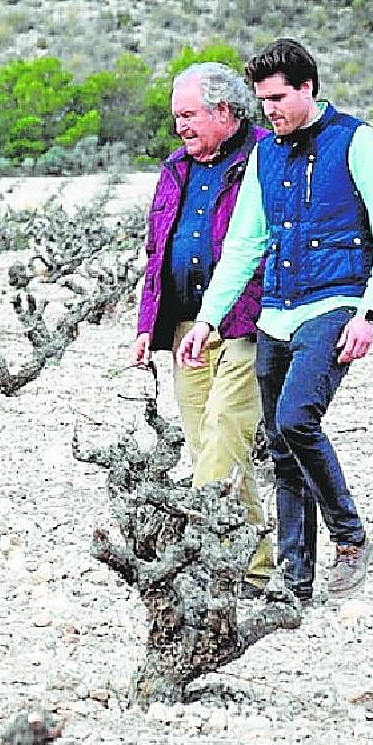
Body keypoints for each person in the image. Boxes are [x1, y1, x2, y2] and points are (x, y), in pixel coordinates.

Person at [176, 38, 373, 603]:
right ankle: (296, 579)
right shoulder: (265, 154)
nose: (271, 110)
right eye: (262, 101)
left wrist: (370, 312)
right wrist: (208, 320)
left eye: (279, 98)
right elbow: (246, 243)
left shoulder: (357, 142)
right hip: (275, 311)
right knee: (280, 444)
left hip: (334, 304)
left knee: (298, 417)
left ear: (308, 88)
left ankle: (350, 537)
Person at [132, 61, 274, 594]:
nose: (180, 128)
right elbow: (158, 250)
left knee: (224, 434)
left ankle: (201, 553)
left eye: (189, 116)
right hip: (186, 325)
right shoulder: (176, 168)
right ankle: (255, 569)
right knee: (206, 445)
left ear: (225, 111)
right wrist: (149, 324)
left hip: (245, 322)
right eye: (176, 118)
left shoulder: (268, 157)